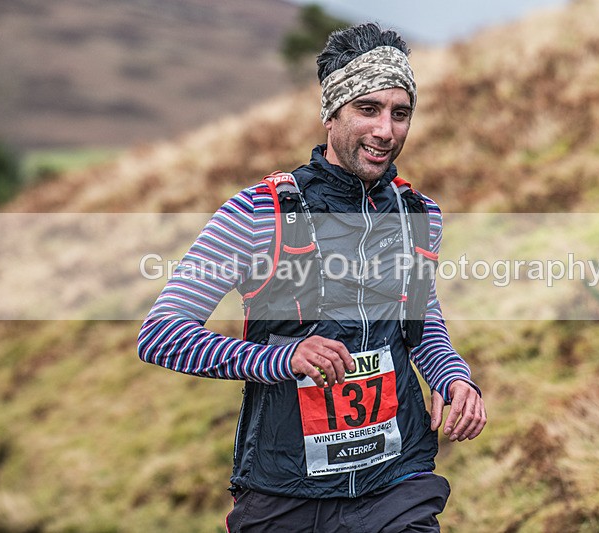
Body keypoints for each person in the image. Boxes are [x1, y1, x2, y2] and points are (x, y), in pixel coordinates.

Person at [138, 22, 486, 532]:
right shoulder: (258, 213)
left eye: (400, 112)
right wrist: (284, 357)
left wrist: (453, 378)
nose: (385, 130)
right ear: (331, 112)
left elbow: (423, 327)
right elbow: (161, 336)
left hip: (395, 484)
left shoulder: (420, 216)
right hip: (287, 495)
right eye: (367, 109)